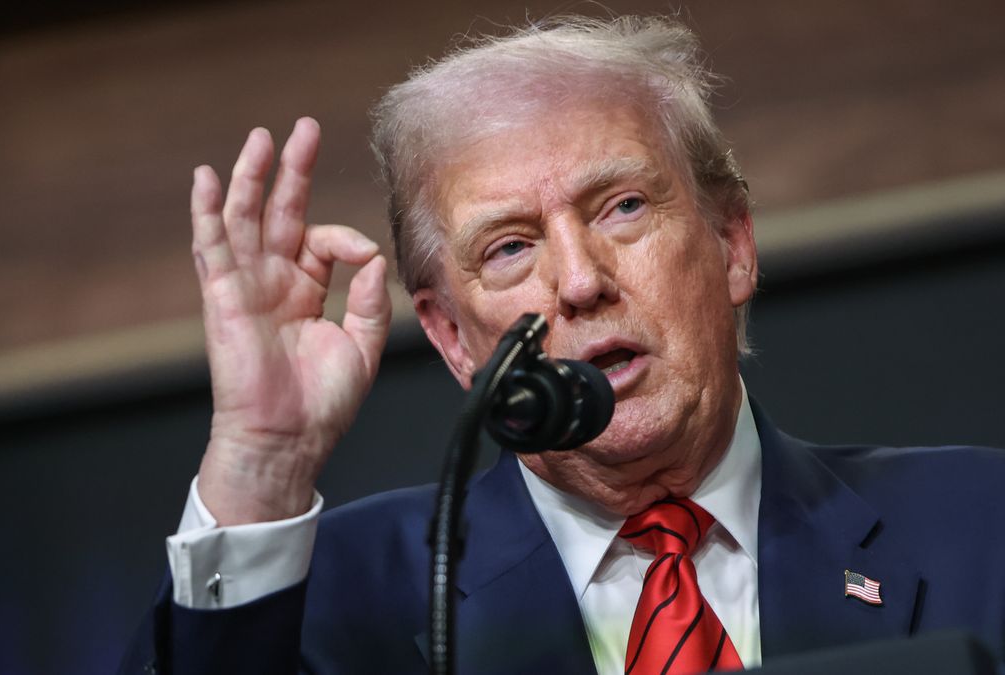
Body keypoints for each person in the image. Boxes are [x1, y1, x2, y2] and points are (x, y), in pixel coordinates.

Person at [120, 15, 1005, 675]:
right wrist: (261, 463)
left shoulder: (982, 525)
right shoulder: (326, 601)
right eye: (509, 247)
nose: (580, 280)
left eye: (622, 206)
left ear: (733, 244)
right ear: (450, 336)